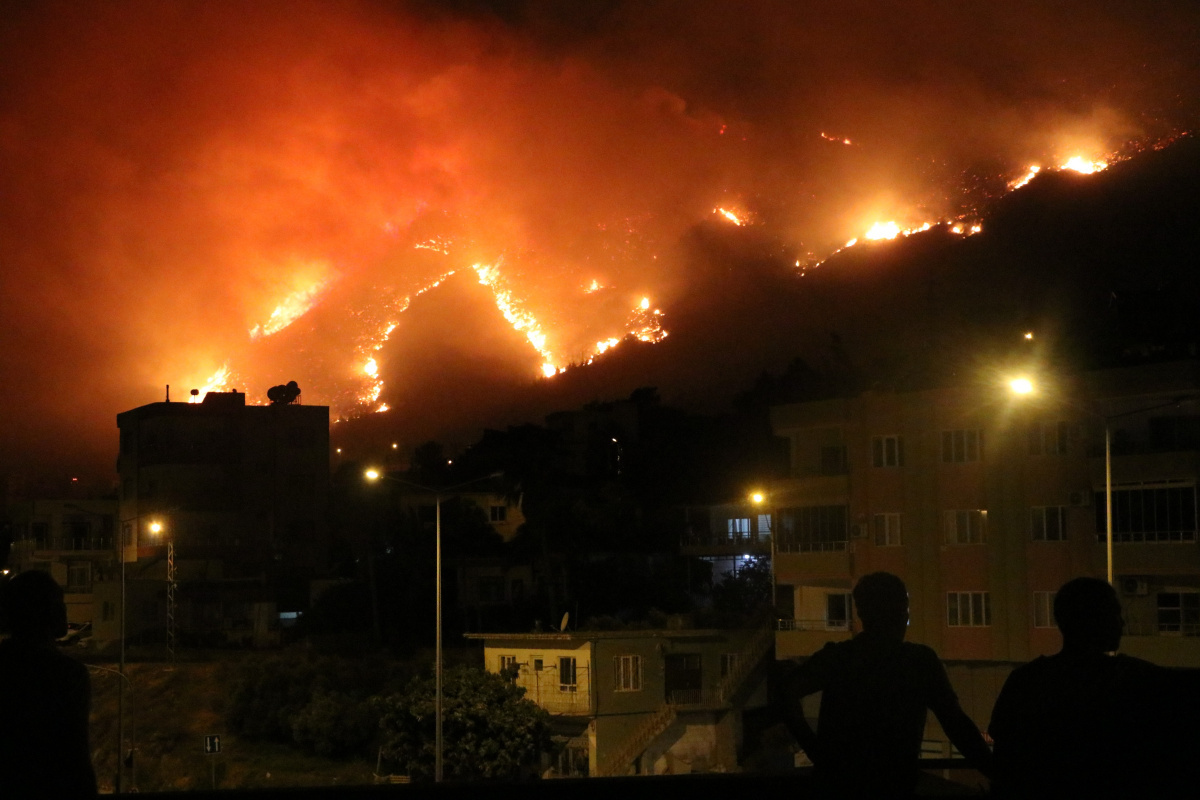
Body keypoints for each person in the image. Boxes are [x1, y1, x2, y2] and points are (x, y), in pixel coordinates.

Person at [784, 572, 992, 798]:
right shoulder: (918, 663)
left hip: (837, 787)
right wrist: (996, 770)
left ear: (862, 613)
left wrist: (818, 754)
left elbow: (787, 692)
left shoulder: (839, 658)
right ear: (900, 613)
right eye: (904, 609)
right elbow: (956, 725)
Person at [989, 576, 1200, 798]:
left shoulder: (1025, 681)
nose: (1122, 622)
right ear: (1095, 619)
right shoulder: (1130, 678)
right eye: (1115, 613)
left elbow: (1005, 758)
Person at [0, 570, 98, 798]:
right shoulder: (66, 675)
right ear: (46, 612)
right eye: (58, 603)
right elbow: (75, 756)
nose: (64, 610)